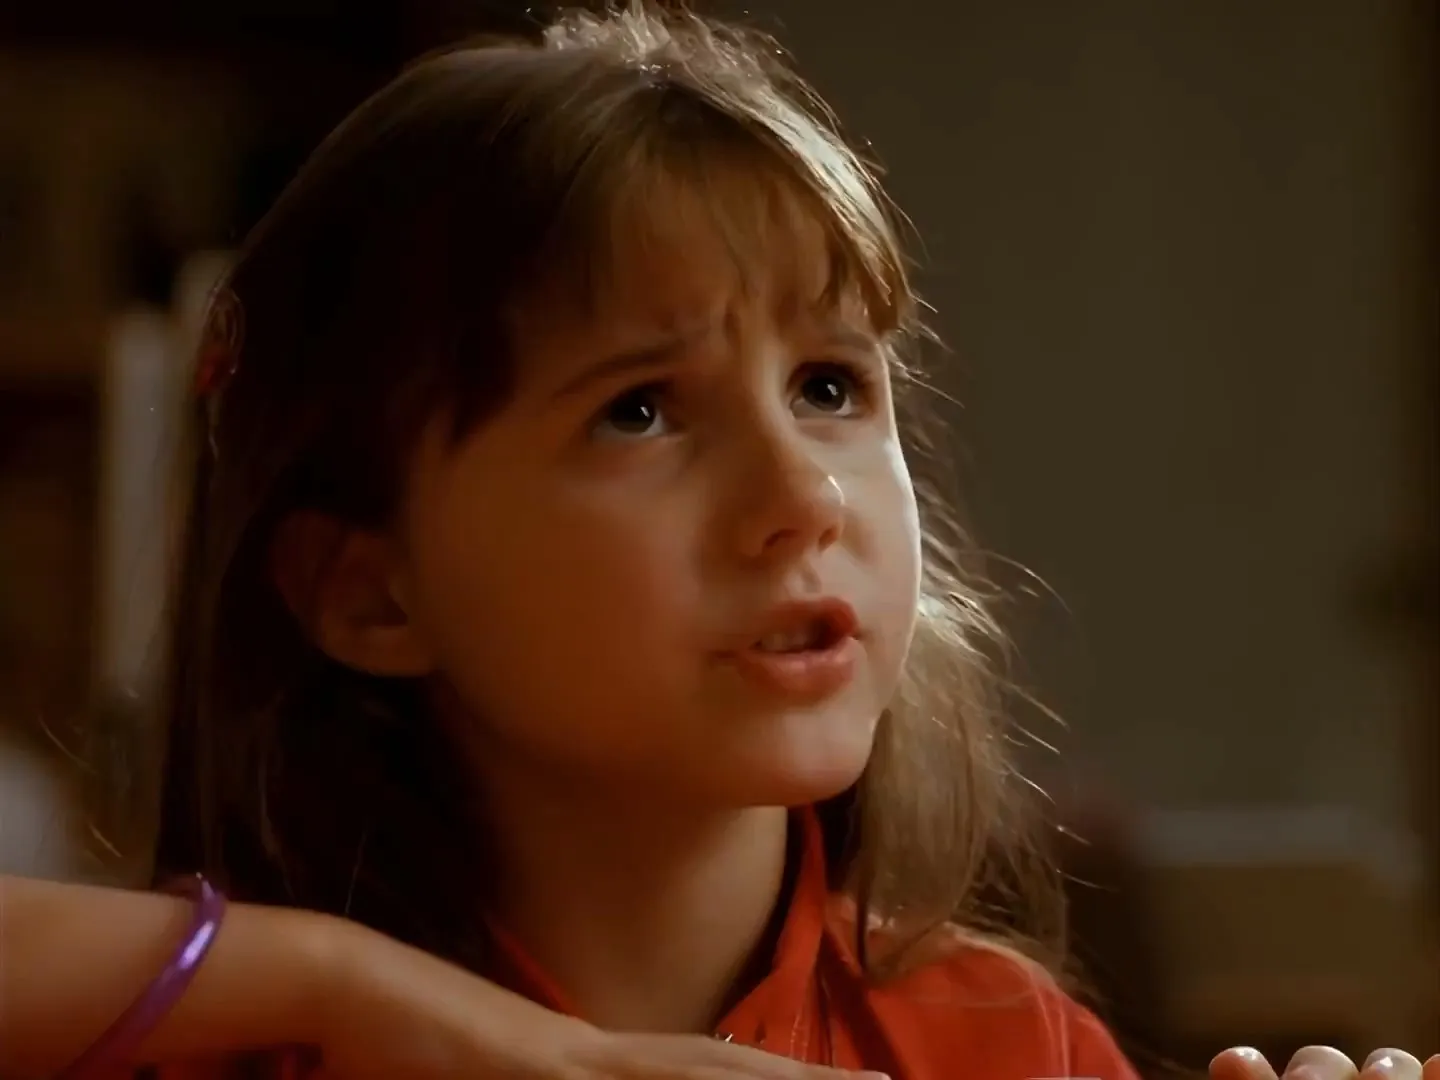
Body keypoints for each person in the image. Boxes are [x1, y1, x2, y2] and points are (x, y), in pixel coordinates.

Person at [0, 5, 1433, 1079]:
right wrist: (343, 987)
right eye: (639, 410)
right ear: (369, 591)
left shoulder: (1009, 1045)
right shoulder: (241, 1042)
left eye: (831, 387)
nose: (801, 494)